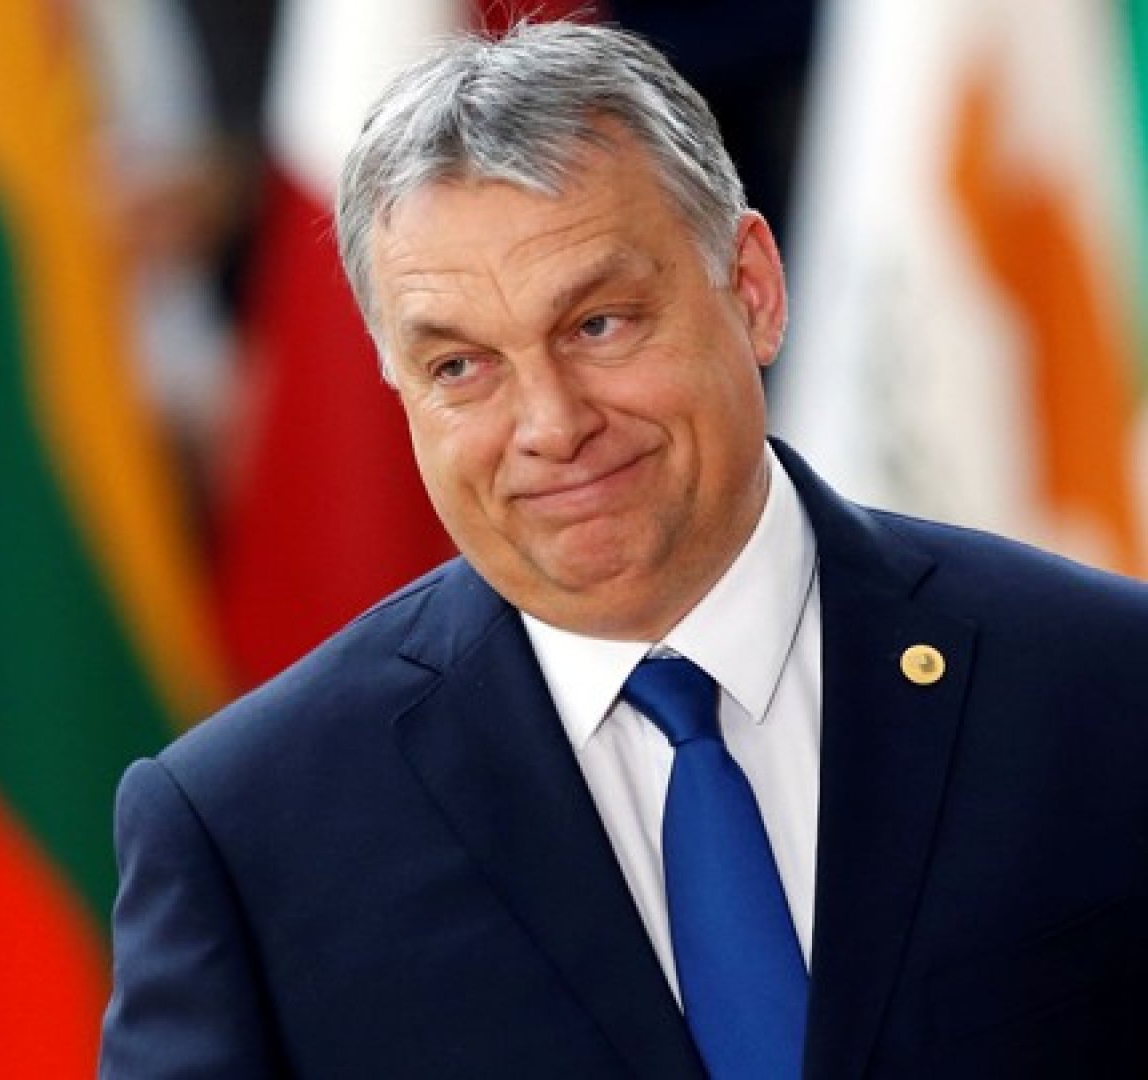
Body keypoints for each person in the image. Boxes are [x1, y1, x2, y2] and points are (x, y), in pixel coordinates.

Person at [98, 20, 1148, 1079]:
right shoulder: (247, 835)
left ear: (753, 289)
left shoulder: (1103, 686)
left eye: (598, 325)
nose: (551, 424)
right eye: (460, 367)